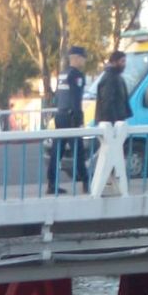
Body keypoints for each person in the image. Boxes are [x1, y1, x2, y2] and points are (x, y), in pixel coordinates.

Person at [47, 45, 89, 195]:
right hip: (71, 117)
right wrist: (80, 120)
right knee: (78, 152)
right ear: (76, 58)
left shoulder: (63, 74)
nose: (84, 61)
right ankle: (86, 182)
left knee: (56, 152)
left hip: (60, 115)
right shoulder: (77, 75)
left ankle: (51, 184)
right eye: (83, 58)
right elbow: (76, 99)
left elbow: (58, 97)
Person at [94, 50, 132, 125]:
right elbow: (107, 102)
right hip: (111, 123)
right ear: (114, 62)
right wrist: (113, 122)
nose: (124, 64)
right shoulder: (110, 78)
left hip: (117, 122)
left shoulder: (117, 77)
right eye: (122, 61)